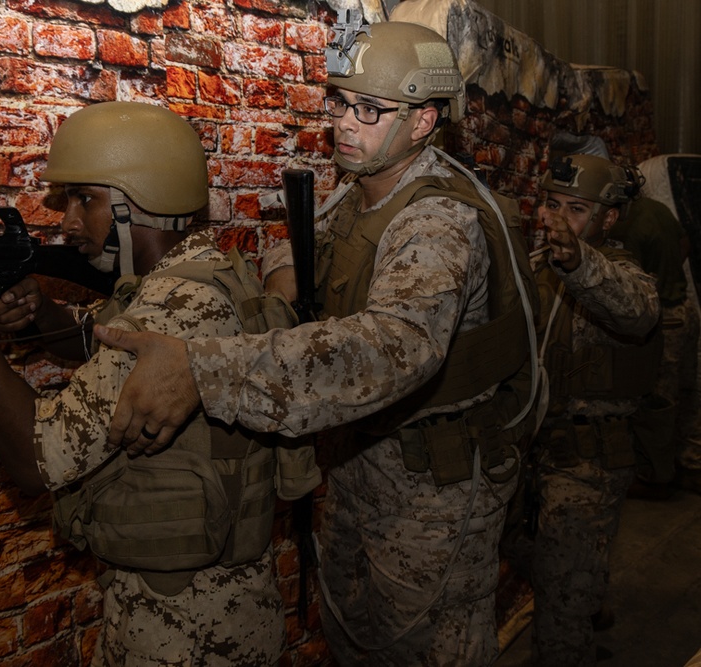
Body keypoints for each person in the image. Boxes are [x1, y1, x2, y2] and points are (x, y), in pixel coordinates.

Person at [95, 18, 540, 666]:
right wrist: (282, 270)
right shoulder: (358, 195)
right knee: (355, 628)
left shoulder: (439, 221)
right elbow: (317, 258)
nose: (346, 123)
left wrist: (205, 369)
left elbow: (391, 347)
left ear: (423, 122)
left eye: (370, 108)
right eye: (339, 102)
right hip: (361, 456)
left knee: (431, 644)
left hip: (435, 481)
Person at [0, 101, 315, 666]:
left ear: (140, 200)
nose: (67, 222)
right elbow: (114, 347)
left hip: (180, 633)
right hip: (232, 607)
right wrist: (44, 317)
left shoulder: (168, 307)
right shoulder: (208, 272)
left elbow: (33, 458)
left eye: (84, 199)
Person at [529, 153, 660, 666]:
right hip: (532, 455)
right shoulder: (537, 269)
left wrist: (578, 261)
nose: (558, 219)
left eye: (576, 209)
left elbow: (638, 310)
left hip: (588, 466)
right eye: (553, 204)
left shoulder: (620, 272)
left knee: (560, 620)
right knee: (545, 571)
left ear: (608, 217)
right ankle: (584, 595)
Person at [608, 167, 691, 498]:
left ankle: (656, 476)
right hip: (684, 306)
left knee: (655, 401)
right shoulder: (659, 209)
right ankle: (686, 464)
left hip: (663, 317)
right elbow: (684, 243)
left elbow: (629, 281)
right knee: (683, 393)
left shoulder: (626, 223)